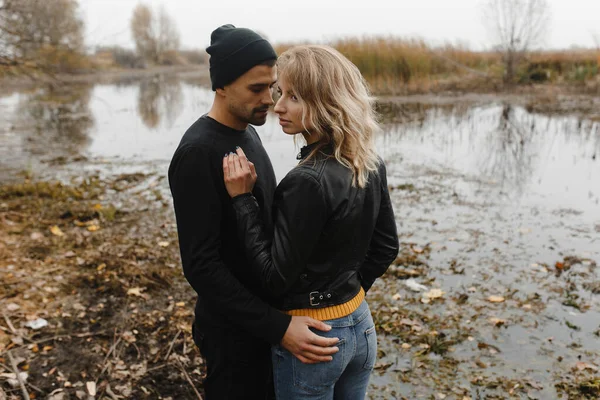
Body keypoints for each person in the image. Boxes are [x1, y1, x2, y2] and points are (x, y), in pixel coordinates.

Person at [168, 26, 339, 400]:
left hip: (265, 318)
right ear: (222, 86)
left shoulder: (247, 132)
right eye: (256, 89)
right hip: (233, 331)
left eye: (272, 87)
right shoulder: (198, 152)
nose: (269, 100)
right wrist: (279, 328)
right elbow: (200, 266)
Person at [222, 45, 400, 399]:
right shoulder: (368, 161)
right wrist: (346, 298)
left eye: (295, 97)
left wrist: (243, 201)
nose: (278, 107)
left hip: (314, 338)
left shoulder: (306, 181)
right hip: (361, 326)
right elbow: (386, 247)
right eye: (280, 93)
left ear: (327, 102)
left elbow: (274, 278)